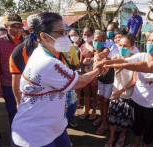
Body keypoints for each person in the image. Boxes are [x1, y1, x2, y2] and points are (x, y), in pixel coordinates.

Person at [11, 12, 103, 147]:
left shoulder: (42, 53)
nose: (66, 37)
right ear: (44, 36)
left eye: (66, 32)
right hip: (35, 134)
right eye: (61, 32)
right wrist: (99, 69)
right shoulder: (47, 62)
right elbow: (81, 82)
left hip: (52, 125)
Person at [96, 8, 153, 146]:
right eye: (148, 40)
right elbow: (123, 61)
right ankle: (136, 143)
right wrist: (106, 63)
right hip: (137, 102)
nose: (150, 42)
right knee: (137, 129)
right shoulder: (141, 56)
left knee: (149, 132)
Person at [105, 34, 138, 147]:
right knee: (113, 118)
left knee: (124, 120)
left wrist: (121, 91)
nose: (122, 48)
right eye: (120, 45)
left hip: (127, 95)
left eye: (125, 46)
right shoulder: (116, 56)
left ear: (132, 47)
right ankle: (112, 136)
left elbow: (134, 80)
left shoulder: (135, 60)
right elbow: (110, 61)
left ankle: (122, 135)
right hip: (115, 94)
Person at [0, 13, 24, 128]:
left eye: (19, 26)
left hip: (25, 84)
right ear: (6, 26)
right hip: (8, 85)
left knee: (27, 112)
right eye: (13, 26)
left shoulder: (27, 42)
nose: (17, 29)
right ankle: (16, 136)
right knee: (13, 112)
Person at [79, 27, 98, 120]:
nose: (86, 36)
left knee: (94, 94)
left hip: (94, 74)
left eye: (88, 34)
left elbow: (98, 62)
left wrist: (95, 76)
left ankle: (94, 111)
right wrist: (82, 74)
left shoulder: (96, 46)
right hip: (86, 74)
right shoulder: (82, 46)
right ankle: (86, 110)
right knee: (86, 93)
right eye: (84, 34)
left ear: (92, 35)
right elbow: (81, 61)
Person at [69, 28, 84, 108]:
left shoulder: (83, 44)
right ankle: (76, 101)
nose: (73, 36)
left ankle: (79, 100)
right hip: (72, 69)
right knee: (74, 87)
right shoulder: (70, 46)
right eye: (71, 35)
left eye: (75, 34)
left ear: (78, 35)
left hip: (81, 67)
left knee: (79, 87)